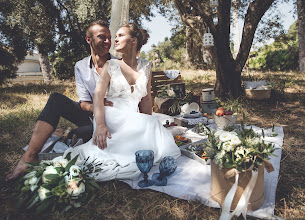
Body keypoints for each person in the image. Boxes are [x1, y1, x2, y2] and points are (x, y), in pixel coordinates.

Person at [64, 23, 181, 181]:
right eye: (116, 36)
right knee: (152, 126)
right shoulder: (110, 65)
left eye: (120, 35)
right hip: (112, 115)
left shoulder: (145, 65)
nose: (115, 40)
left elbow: (146, 98)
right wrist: (100, 126)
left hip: (131, 115)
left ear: (133, 41)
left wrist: (146, 121)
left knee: (152, 123)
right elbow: (98, 96)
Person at [6, 20, 114, 181]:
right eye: (102, 37)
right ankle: (29, 157)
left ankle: (63, 134)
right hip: (91, 115)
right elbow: (83, 102)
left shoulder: (119, 64)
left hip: (114, 119)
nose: (107, 41)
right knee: (56, 99)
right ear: (88, 39)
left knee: (80, 135)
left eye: (109, 37)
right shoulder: (80, 66)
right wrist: (95, 107)